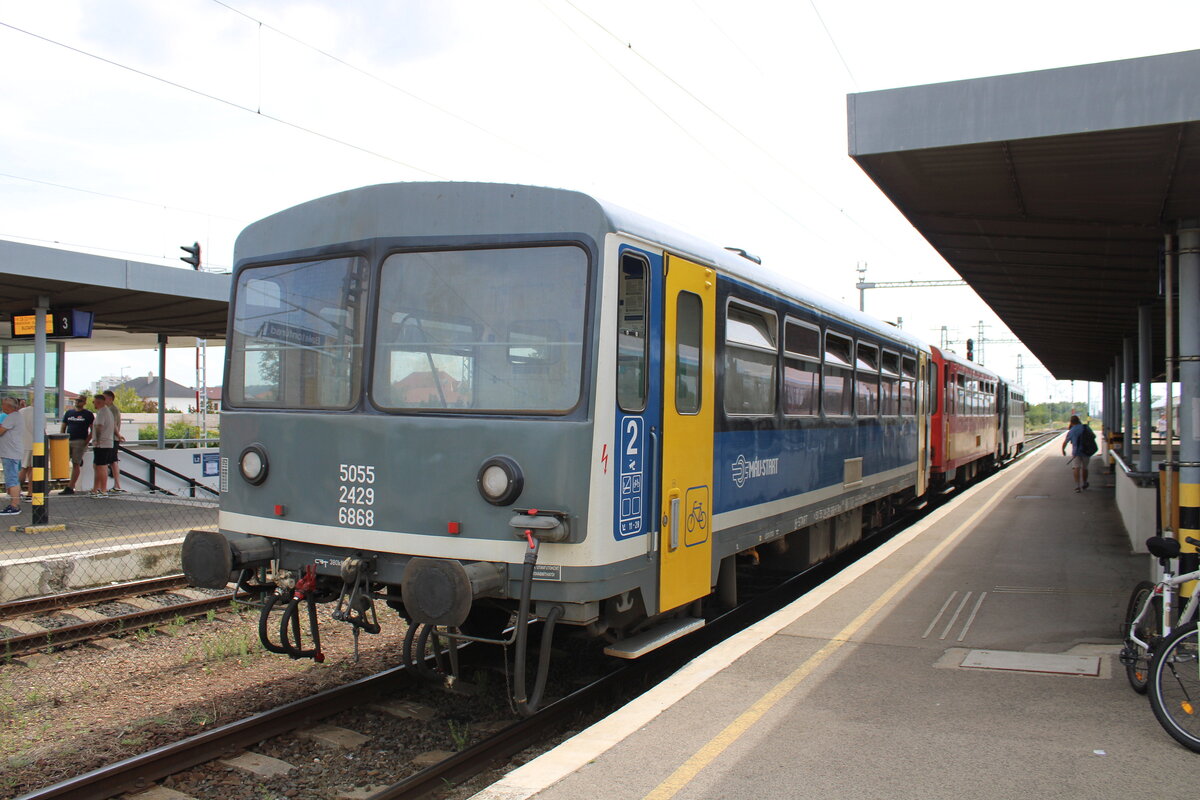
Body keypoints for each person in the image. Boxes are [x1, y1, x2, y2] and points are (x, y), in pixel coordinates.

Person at [59, 395, 94, 495]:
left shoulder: (88, 414)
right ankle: (64, 481)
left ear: (84, 402)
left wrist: (86, 442)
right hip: (68, 440)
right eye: (76, 400)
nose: (77, 402)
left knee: (76, 463)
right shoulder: (69, 413)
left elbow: (93, 430)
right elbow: (63, 426)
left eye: (80, 401)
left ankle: (71, 486)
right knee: (64, 461)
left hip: (79, 441)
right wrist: (62, 439)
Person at [0, 398, 24, 514]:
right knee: (13, 478)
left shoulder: (12, 417)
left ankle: (14, 506)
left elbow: (1, 430)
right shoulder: (16, 416)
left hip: (10, 453)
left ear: (8, 406)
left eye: (3, 404)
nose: (2, 406)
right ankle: (15, 504)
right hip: (12, 452)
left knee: (12, 479)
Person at [102, 389, 127, 494]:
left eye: (104, 398)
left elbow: (113, 425)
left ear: (110, 399)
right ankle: (116, 485)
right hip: (110, 439)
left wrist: (118, 435)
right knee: (112, 461)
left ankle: (115, 485)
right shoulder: (108, 409)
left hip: (111, 439)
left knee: (110, 461)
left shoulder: (112, 410)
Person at [90, 393, 115, 498]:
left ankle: (103, 490)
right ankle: (96, 489)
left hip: (102, 444)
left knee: (101, 466)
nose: (93, 404)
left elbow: (99, 426)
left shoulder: (102, 412)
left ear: (99, 402)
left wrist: (98, 440)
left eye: (94, 402)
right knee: (97, 466)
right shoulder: (107, 412)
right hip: (106, 442)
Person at [1061, 414, 1090, 493]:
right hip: (1086, 451)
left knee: (1076, 468)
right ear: (1078, 421)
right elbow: (1093, 436)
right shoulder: (1085, 427)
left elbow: (1065, 442)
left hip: (1076, 452)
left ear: (1071, 422)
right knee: (1085, 468)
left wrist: (1063, 450)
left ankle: (1077, 486)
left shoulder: (1071, 431)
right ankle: (1084, 483)